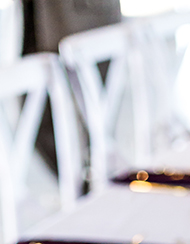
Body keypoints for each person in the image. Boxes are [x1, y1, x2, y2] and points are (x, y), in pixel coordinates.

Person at [21, 0, 122, 174]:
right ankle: (81, 184)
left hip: (84, 18)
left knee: (91, 117)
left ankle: (87, 181)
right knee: (33, 119)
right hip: (36, 16)